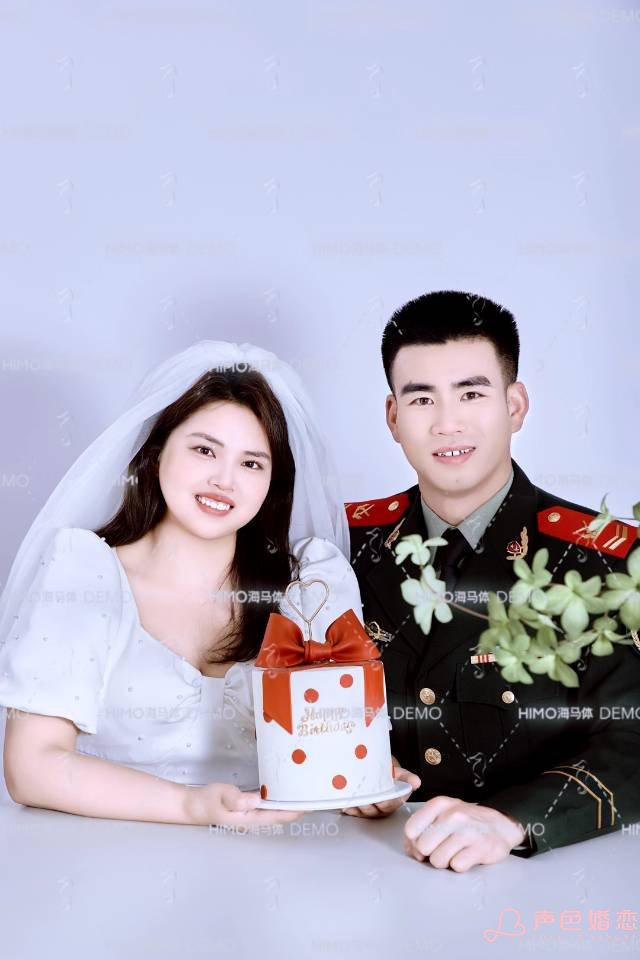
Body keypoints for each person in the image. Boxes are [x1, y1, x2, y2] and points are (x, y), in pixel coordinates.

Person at [0, 341, 416, 828]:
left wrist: (367, 777)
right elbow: (31, 768)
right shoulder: (84, 573)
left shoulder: (309, 584)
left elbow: (332, 749)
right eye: (204, 450)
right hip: (108, 856)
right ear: (156, 453)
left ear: (273, 483)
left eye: (251, 463)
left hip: (277, 857)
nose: (224, 480)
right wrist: (191, 806)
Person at [346, 290, 640, 870]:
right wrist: (345, 765)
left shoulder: (601, 560)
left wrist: (513, 820)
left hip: (539, 874)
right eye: (422, 398)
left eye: (472, 393)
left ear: (515, 405)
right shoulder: (346, 546)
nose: (447, 423)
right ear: (393, 418)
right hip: (367, 862)